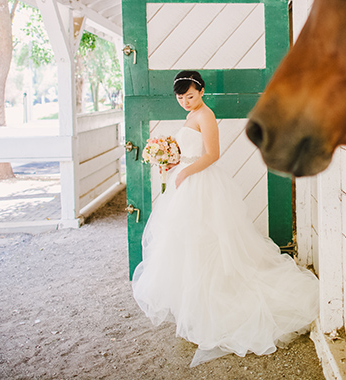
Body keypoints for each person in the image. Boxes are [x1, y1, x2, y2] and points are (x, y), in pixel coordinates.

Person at [131, 70, 319, 367]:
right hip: (187, 180)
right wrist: (170, 160)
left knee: (209, 241)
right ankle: (196, 307)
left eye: (190, 96)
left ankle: (216, 307)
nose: (185, 102)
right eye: (180, 97)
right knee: (189, 244)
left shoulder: (205, 114)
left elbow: (212, 154)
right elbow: (190, 151)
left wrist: (185, 172)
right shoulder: (192, 114)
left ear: (201, 91)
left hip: (201, 182)